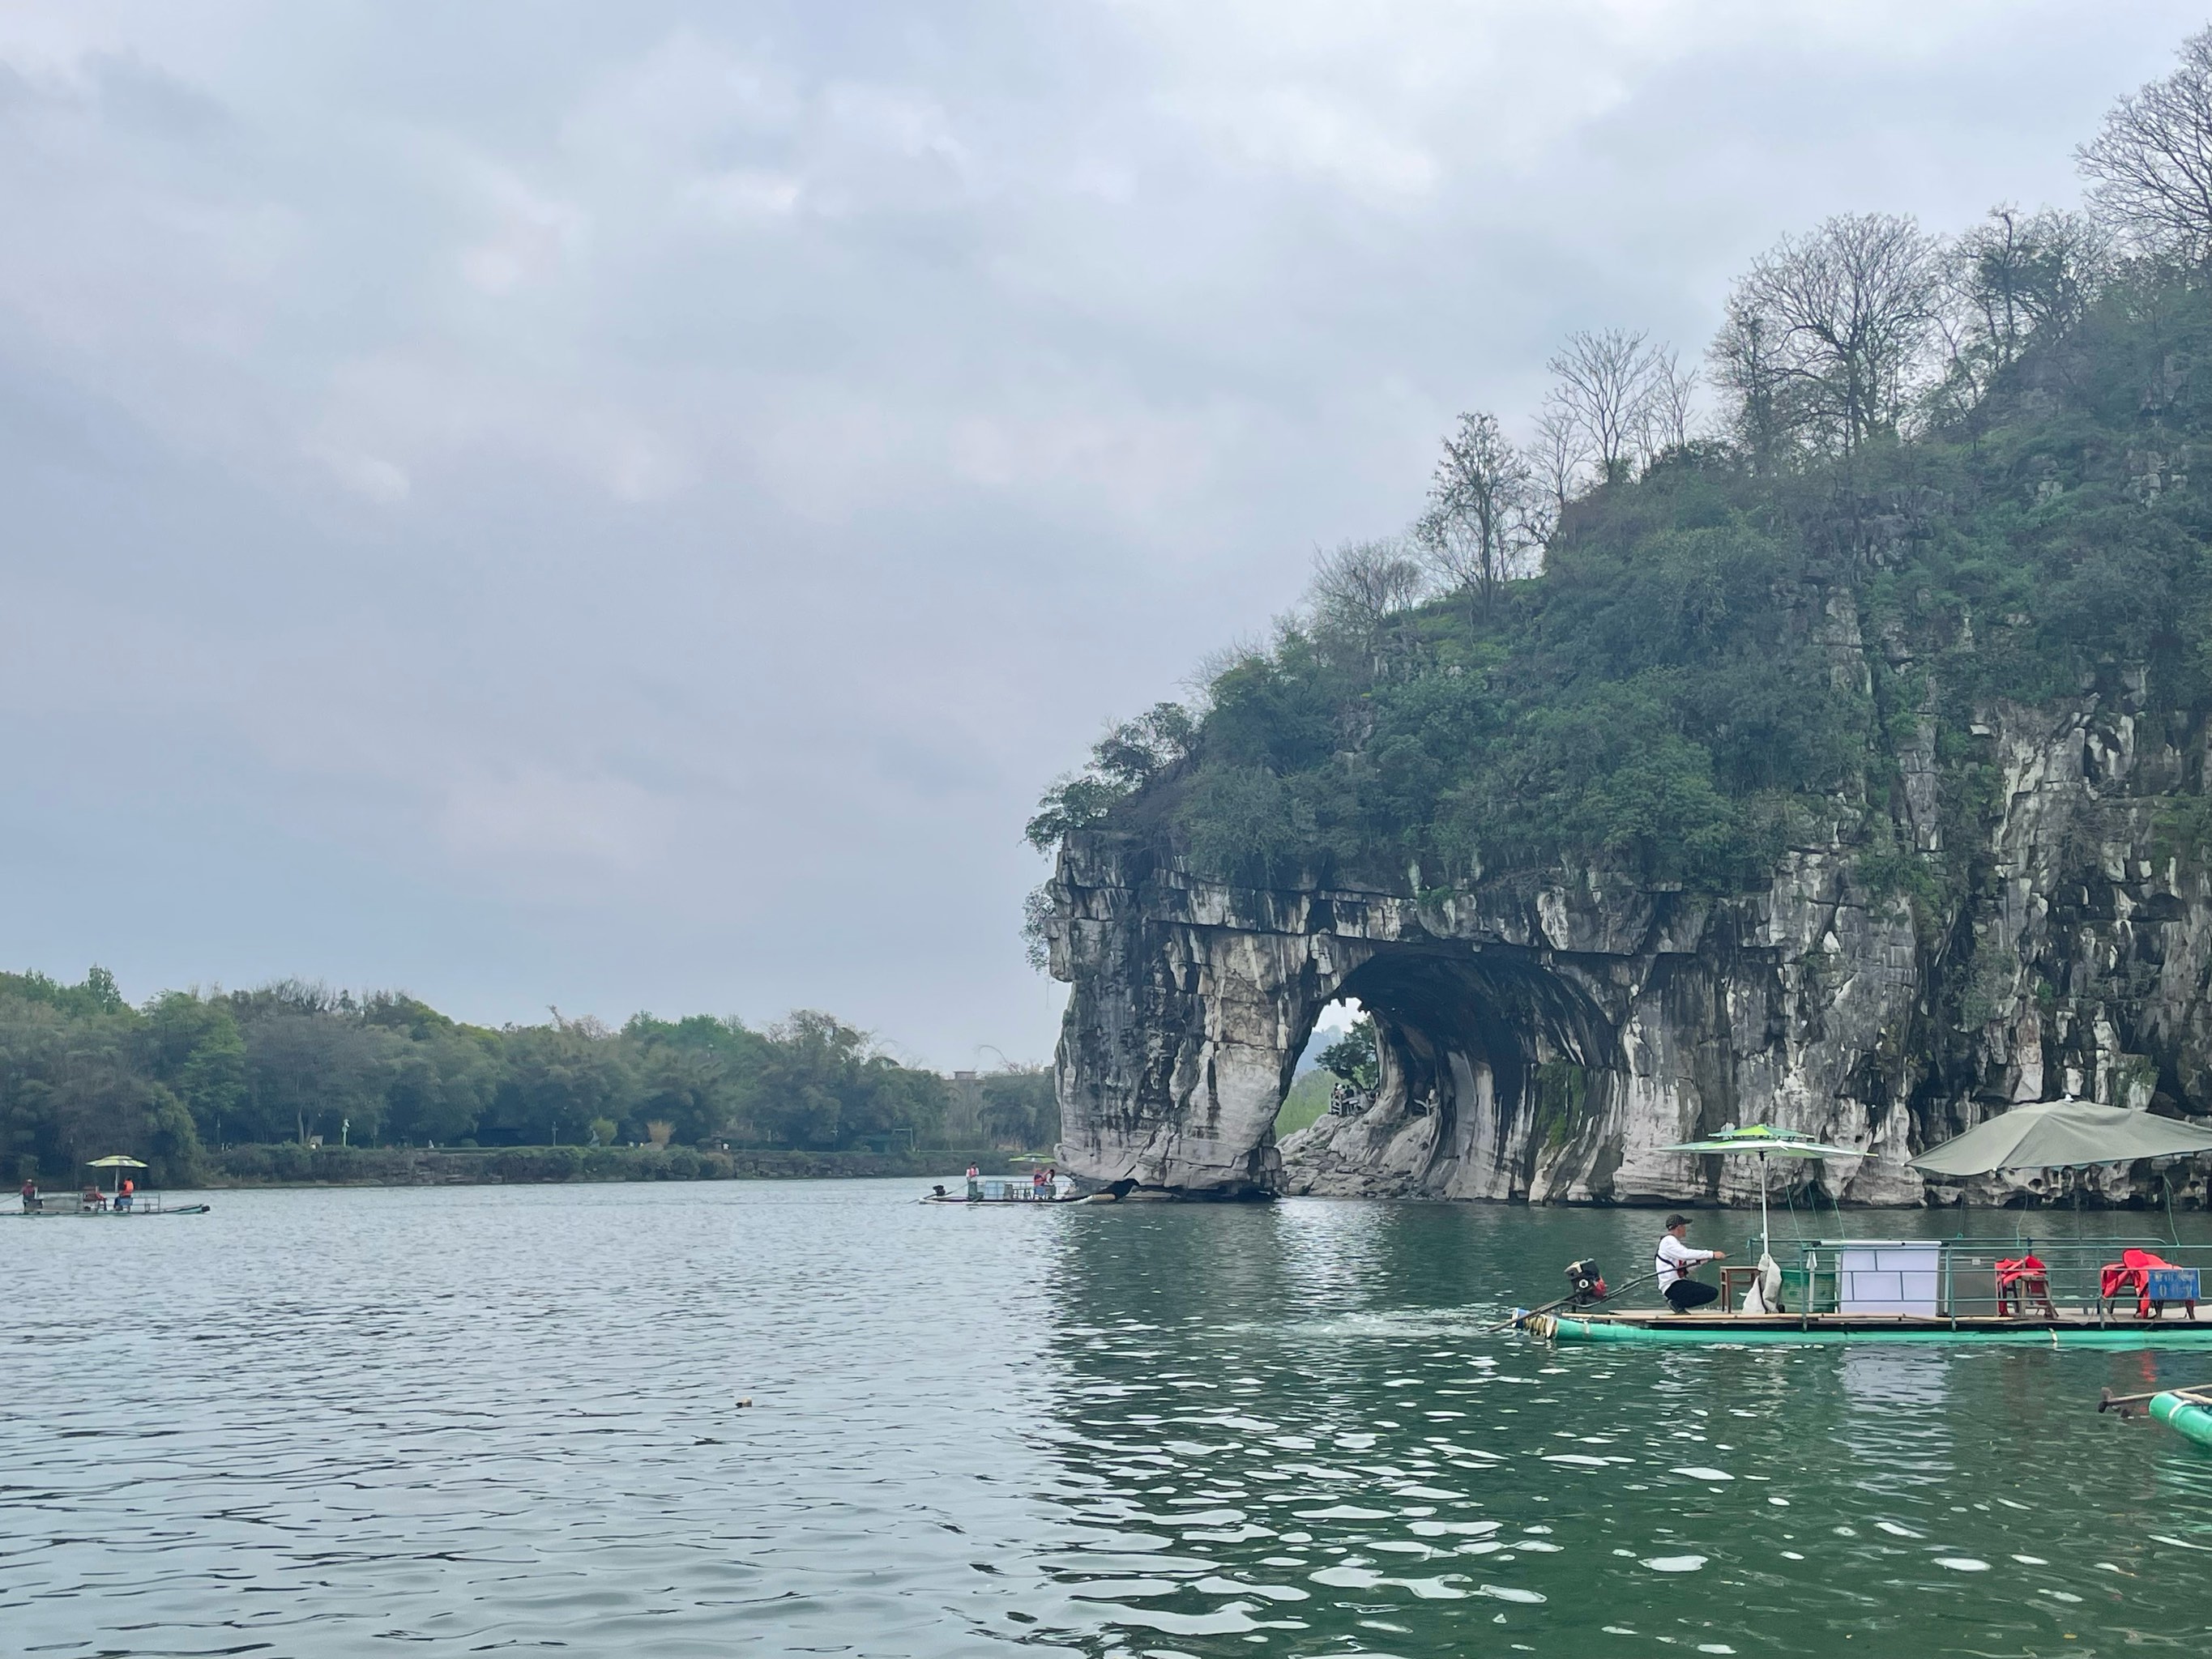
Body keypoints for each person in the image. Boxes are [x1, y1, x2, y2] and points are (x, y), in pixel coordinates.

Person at [1656, 1214, 1726, 1313]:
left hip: (1675, 1285)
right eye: (1684, 1227)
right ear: (1679, 1227)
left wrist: (1703, 1260)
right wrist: (1712, 1254)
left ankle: (1677, 1303)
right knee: (1712, 1292)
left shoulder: (1673, 1243)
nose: (1686, 1229)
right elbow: (1685, 1254)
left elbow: (1687, 1266)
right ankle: (1676, 1303)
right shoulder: (1668, 1241)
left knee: (1712, 1293)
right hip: (1672, 1286)